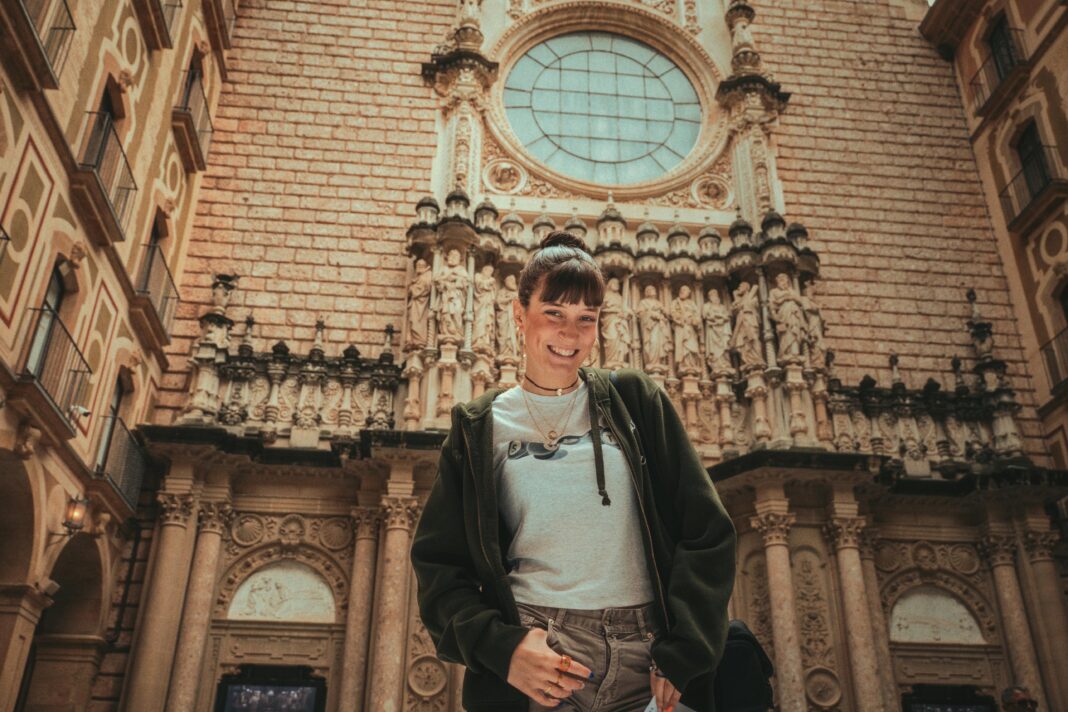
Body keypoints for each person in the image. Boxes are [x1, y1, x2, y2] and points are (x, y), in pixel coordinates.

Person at [411, 231, 737, 712]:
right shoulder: (479, 426)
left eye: (587, 318)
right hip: (539, 657)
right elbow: (439, 567)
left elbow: (707, 532)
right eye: (554, 313)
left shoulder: (635, 401)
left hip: (649, 662)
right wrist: (504, 650)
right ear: (519, 314)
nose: (571, 333)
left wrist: (686, 650)